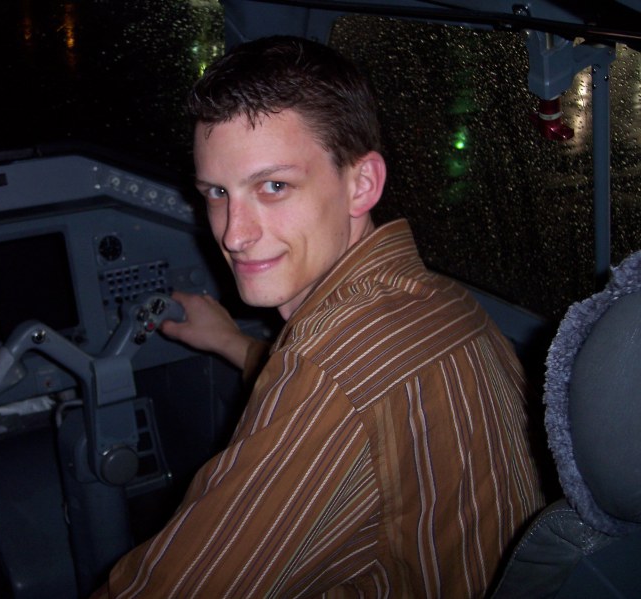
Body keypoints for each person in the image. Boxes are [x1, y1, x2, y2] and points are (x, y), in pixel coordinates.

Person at [91, 35, 544, 598]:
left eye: (274, 186)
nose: (233, 234)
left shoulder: (327, 372)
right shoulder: (446, 303)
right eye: (217, 192)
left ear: (362, 184)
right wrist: (230, 341)